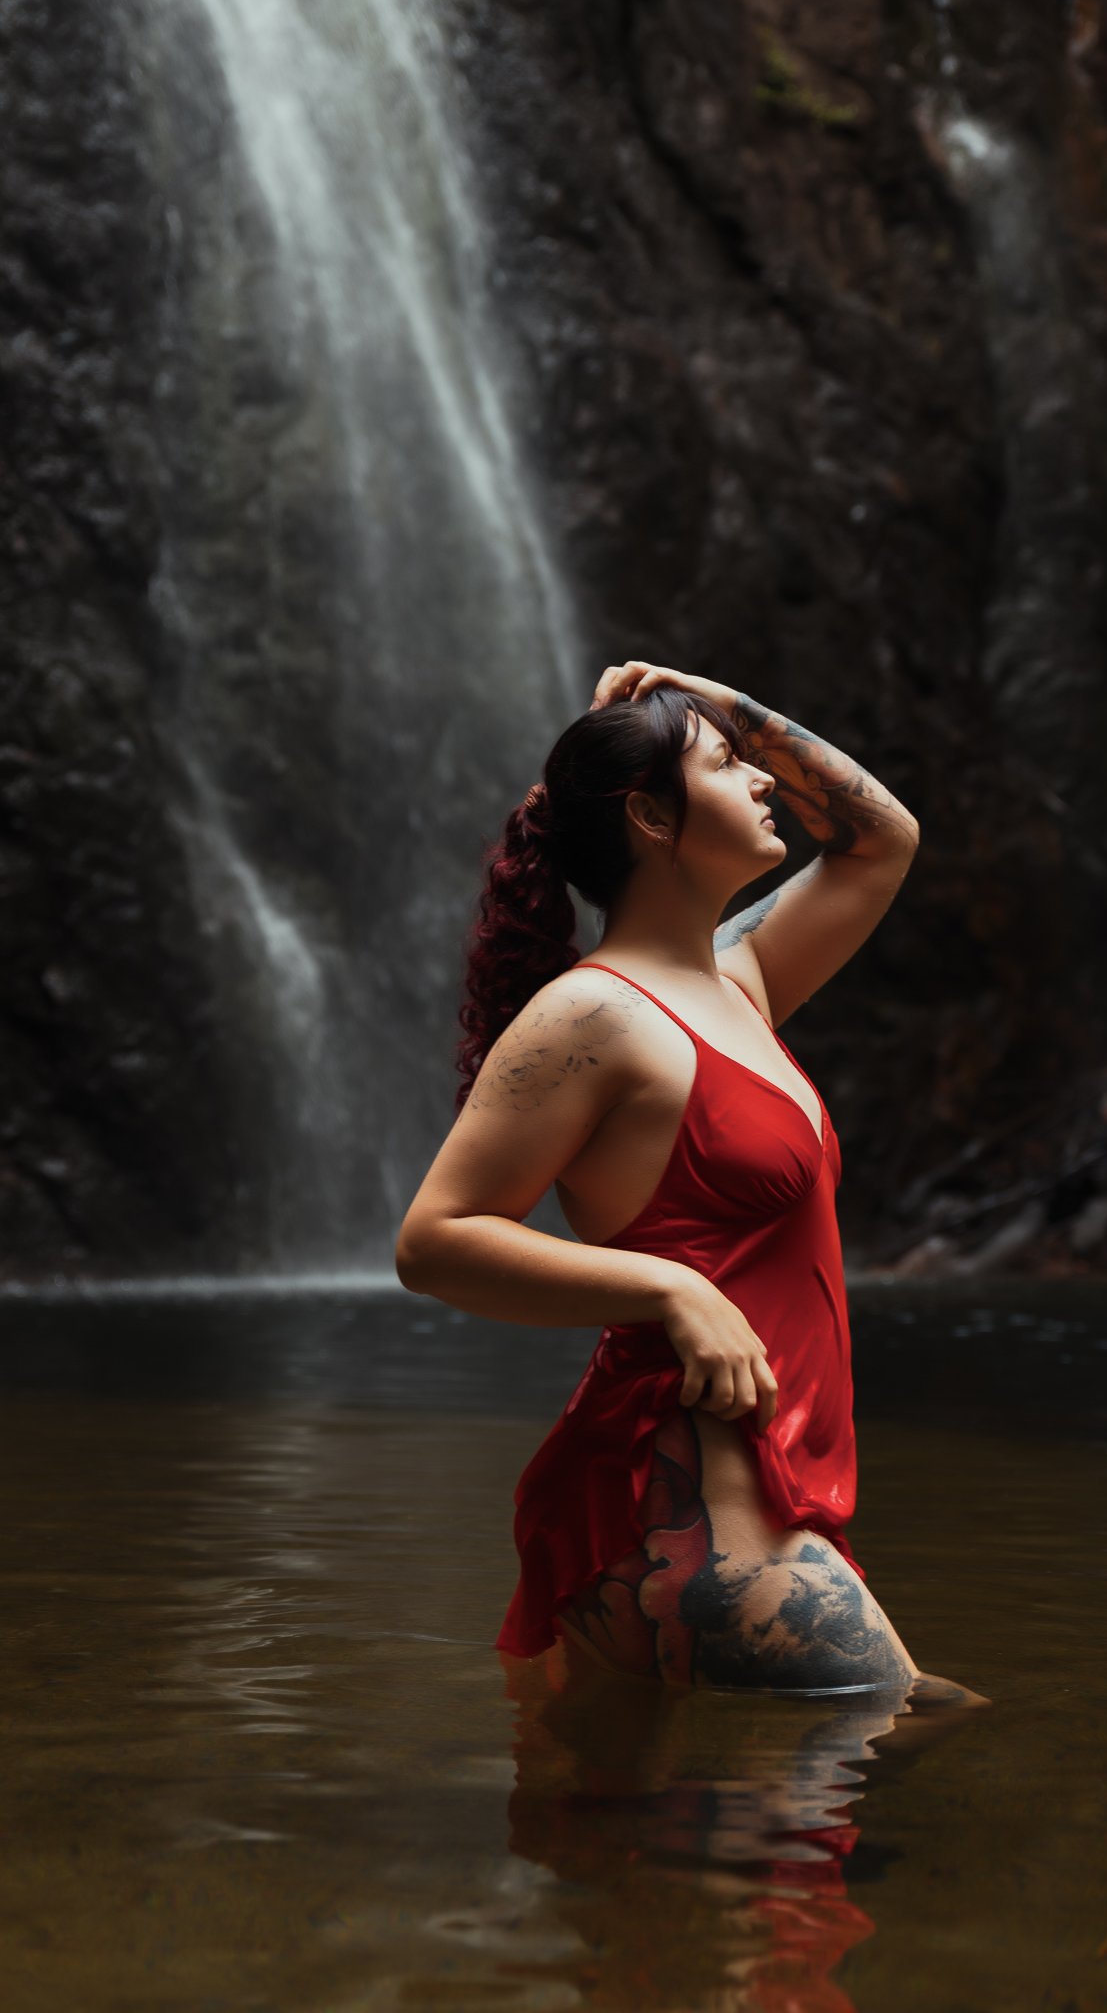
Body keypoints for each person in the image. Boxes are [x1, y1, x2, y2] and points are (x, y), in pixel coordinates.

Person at [396, 660, 986, 1706]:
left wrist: (731, 709)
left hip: (767, 1491)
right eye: (729, 765)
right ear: (652, 817)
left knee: (690, 1842)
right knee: (903, 1734)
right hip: (687, 1498)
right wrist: (669, 1287)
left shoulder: (737, 980)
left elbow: (883, 838)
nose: (764, 781)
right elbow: (435, 1239)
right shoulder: (593, 1016)